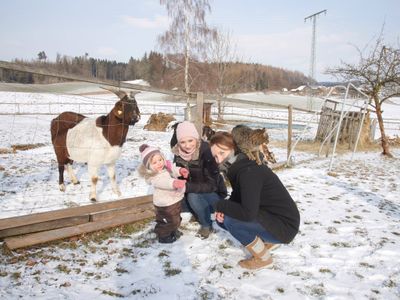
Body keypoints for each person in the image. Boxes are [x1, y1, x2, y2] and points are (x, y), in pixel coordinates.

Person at [209, 131, 300, 270]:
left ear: (235, 148)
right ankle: (266, 241)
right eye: (215, 156)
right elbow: (239, 194)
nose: (219, 160)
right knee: (223, 219)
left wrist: (220, 205)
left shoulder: (248, 172)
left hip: (285, 226)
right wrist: (224, 208)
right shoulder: (242, 166)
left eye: (222, 153)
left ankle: (263, 259)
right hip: (274, 217)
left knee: (230, 221)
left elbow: (248, 213)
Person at [171, 121, 227, 239]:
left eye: (190, 140)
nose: (187, 145)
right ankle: (197, 211)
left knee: (193, 196)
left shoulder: (207, 152)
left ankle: (206, 224)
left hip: (213, 193)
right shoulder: (178, 154)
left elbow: (212, 185)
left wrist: (187, 187)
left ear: (196, 138)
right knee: (172, 200)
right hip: (191, 189)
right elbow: (179, 175)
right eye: (182, 142)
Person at [138, 144, 189, 244]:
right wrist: (174, 183)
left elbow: (173, 169)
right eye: (154, 162)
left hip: (174, 200)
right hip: (165, 204)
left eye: (160, 160)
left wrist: (180, 171)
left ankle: (173, 230)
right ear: (149, 166)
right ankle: (164, 236)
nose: (159, 164)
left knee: (176, 218)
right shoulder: (154, 177)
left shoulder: (166, 167)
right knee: (168, 221)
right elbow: (163, 183)